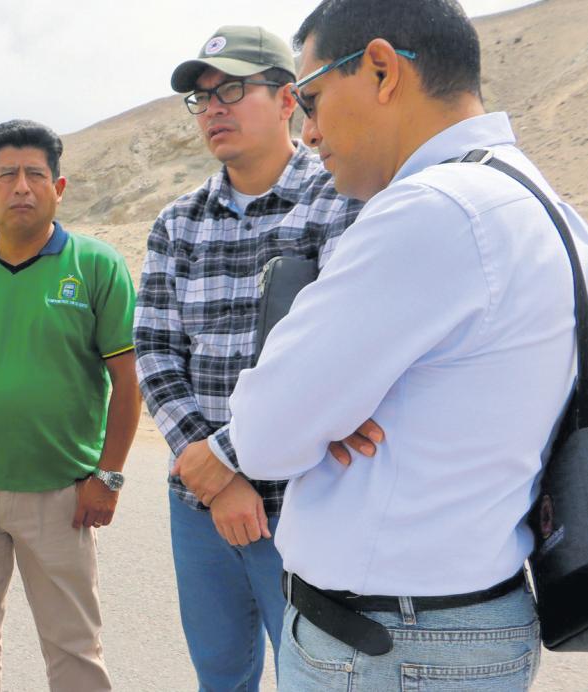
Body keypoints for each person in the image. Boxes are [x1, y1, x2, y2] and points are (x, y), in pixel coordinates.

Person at [174, 1, 588, 688]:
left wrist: (315, 412)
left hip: (388, 645)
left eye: (311, 99)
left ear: (380, 69)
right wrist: (327, 412)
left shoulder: (433, 210)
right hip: (453, 622)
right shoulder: (538, 204)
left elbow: (267, 434)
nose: (308, 131)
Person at [135, 26, 362, 690]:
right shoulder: (178, 222)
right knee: (220, 674)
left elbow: (335, 355)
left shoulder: (337, 198)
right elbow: (155, 350)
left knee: (313, 675)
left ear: (288, 98)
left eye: (232, 89)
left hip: (303, 501)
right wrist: (212, 474)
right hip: (197, 503)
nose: (213, 108)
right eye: (201, 97)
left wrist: (231, 460)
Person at [0, 119, 140, 691]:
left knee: (73, 646)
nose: (21, 187)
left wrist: (108, 476)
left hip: (63, 494)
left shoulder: (96, 266)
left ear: (58, 188)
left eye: (35, 175)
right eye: (6, 174)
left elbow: (128, 379)